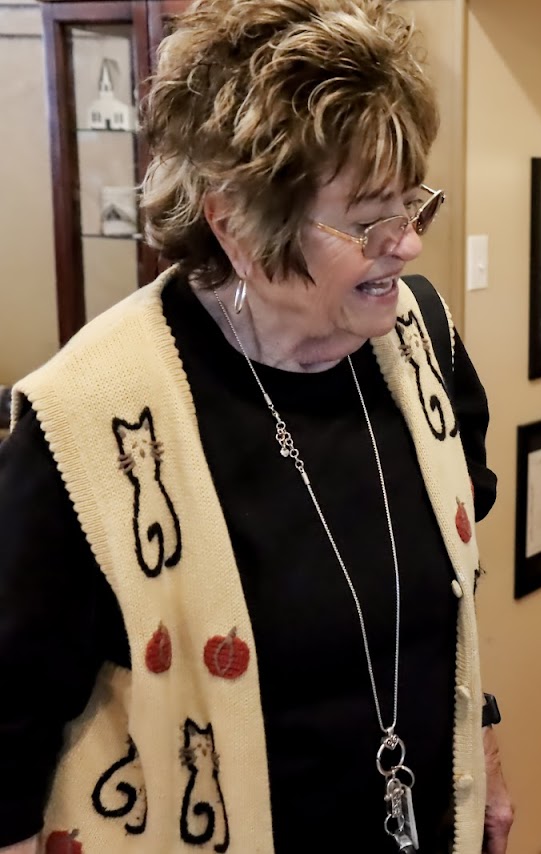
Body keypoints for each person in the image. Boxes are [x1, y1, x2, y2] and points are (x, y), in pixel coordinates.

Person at [0, 1, 513, 852]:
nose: (407, 245)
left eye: (412, 204)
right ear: (235, 225)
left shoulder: (422, 342)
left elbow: (446, 599)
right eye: (367, 220)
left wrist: (482, 742)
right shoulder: (85, 419)